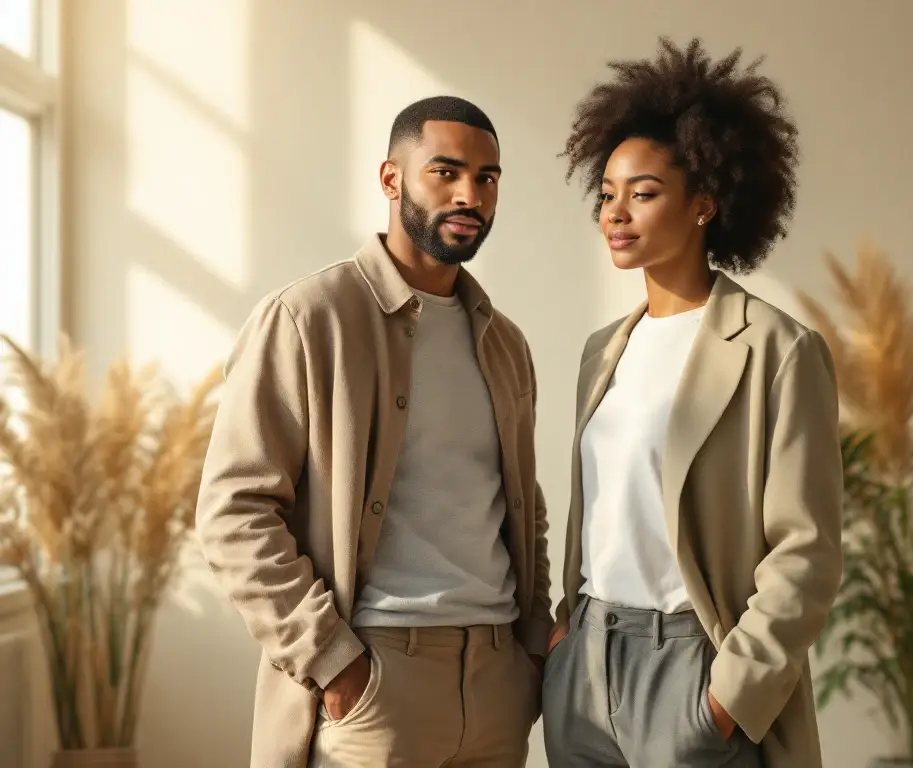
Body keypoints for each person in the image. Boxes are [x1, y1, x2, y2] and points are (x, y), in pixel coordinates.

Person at [196, 95, 552, 768]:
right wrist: (333, 663)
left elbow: (522, 507)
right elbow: (233, 511)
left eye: (487, 177)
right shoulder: (309, 318)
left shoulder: (505, 343)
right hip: (377, 679)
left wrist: (530, 650)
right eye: (444, 172)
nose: (469, 194)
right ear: (392, 180)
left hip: (498, 681)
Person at [542, 37, 843, 768]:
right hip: (584, 667)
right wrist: (563, 636)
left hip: (693, 665)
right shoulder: (601, 351)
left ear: (705, 203)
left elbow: (807, 550)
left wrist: (727, 700)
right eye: (607, 193)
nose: (616, 212)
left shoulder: (778, 349)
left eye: (642, 193)